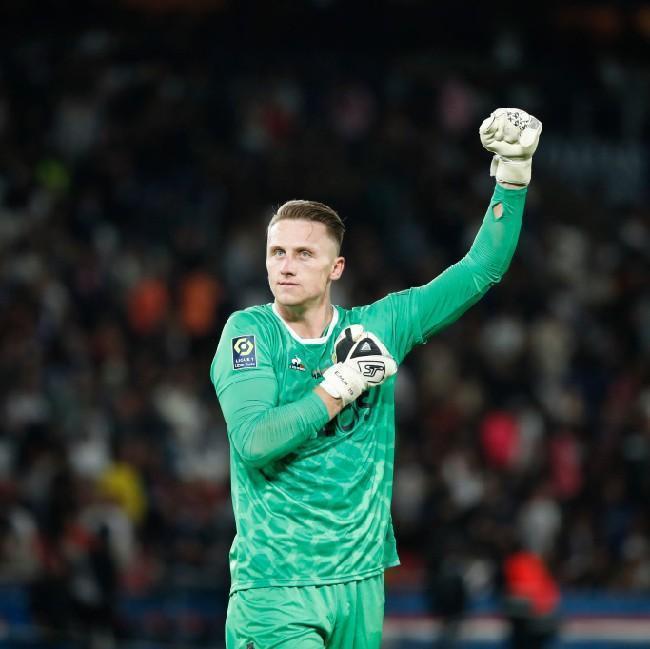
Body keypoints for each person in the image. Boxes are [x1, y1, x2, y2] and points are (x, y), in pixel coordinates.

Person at [210, 108, 542, 648]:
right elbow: (253, 441)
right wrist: (341, 385)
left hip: (361, 585)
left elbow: (481, 268)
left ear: (335, 269)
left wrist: (513, 175)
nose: (286, 266)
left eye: (304, 254)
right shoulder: (249, 334)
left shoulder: (380, 326)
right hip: (277, 587)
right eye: (276, 252)